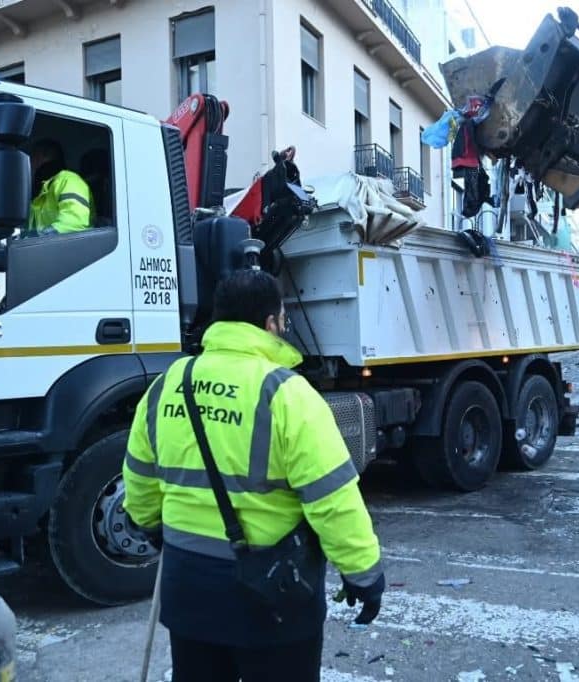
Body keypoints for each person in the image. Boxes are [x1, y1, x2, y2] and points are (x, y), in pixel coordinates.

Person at [122, 269, 384, 682]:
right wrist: (363, 574)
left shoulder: (168, 384)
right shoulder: (287, 393)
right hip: (270, 596)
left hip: (187, 586)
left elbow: (138, 476)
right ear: (270, 324)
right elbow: (332, 498)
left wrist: (152, 526)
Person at [26, 138, 93, 235]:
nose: (30, 164)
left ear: (40, 157)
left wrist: (40, 238)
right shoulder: (42, 191)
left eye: (31, 158)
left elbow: (74, 222)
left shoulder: (69, 180)